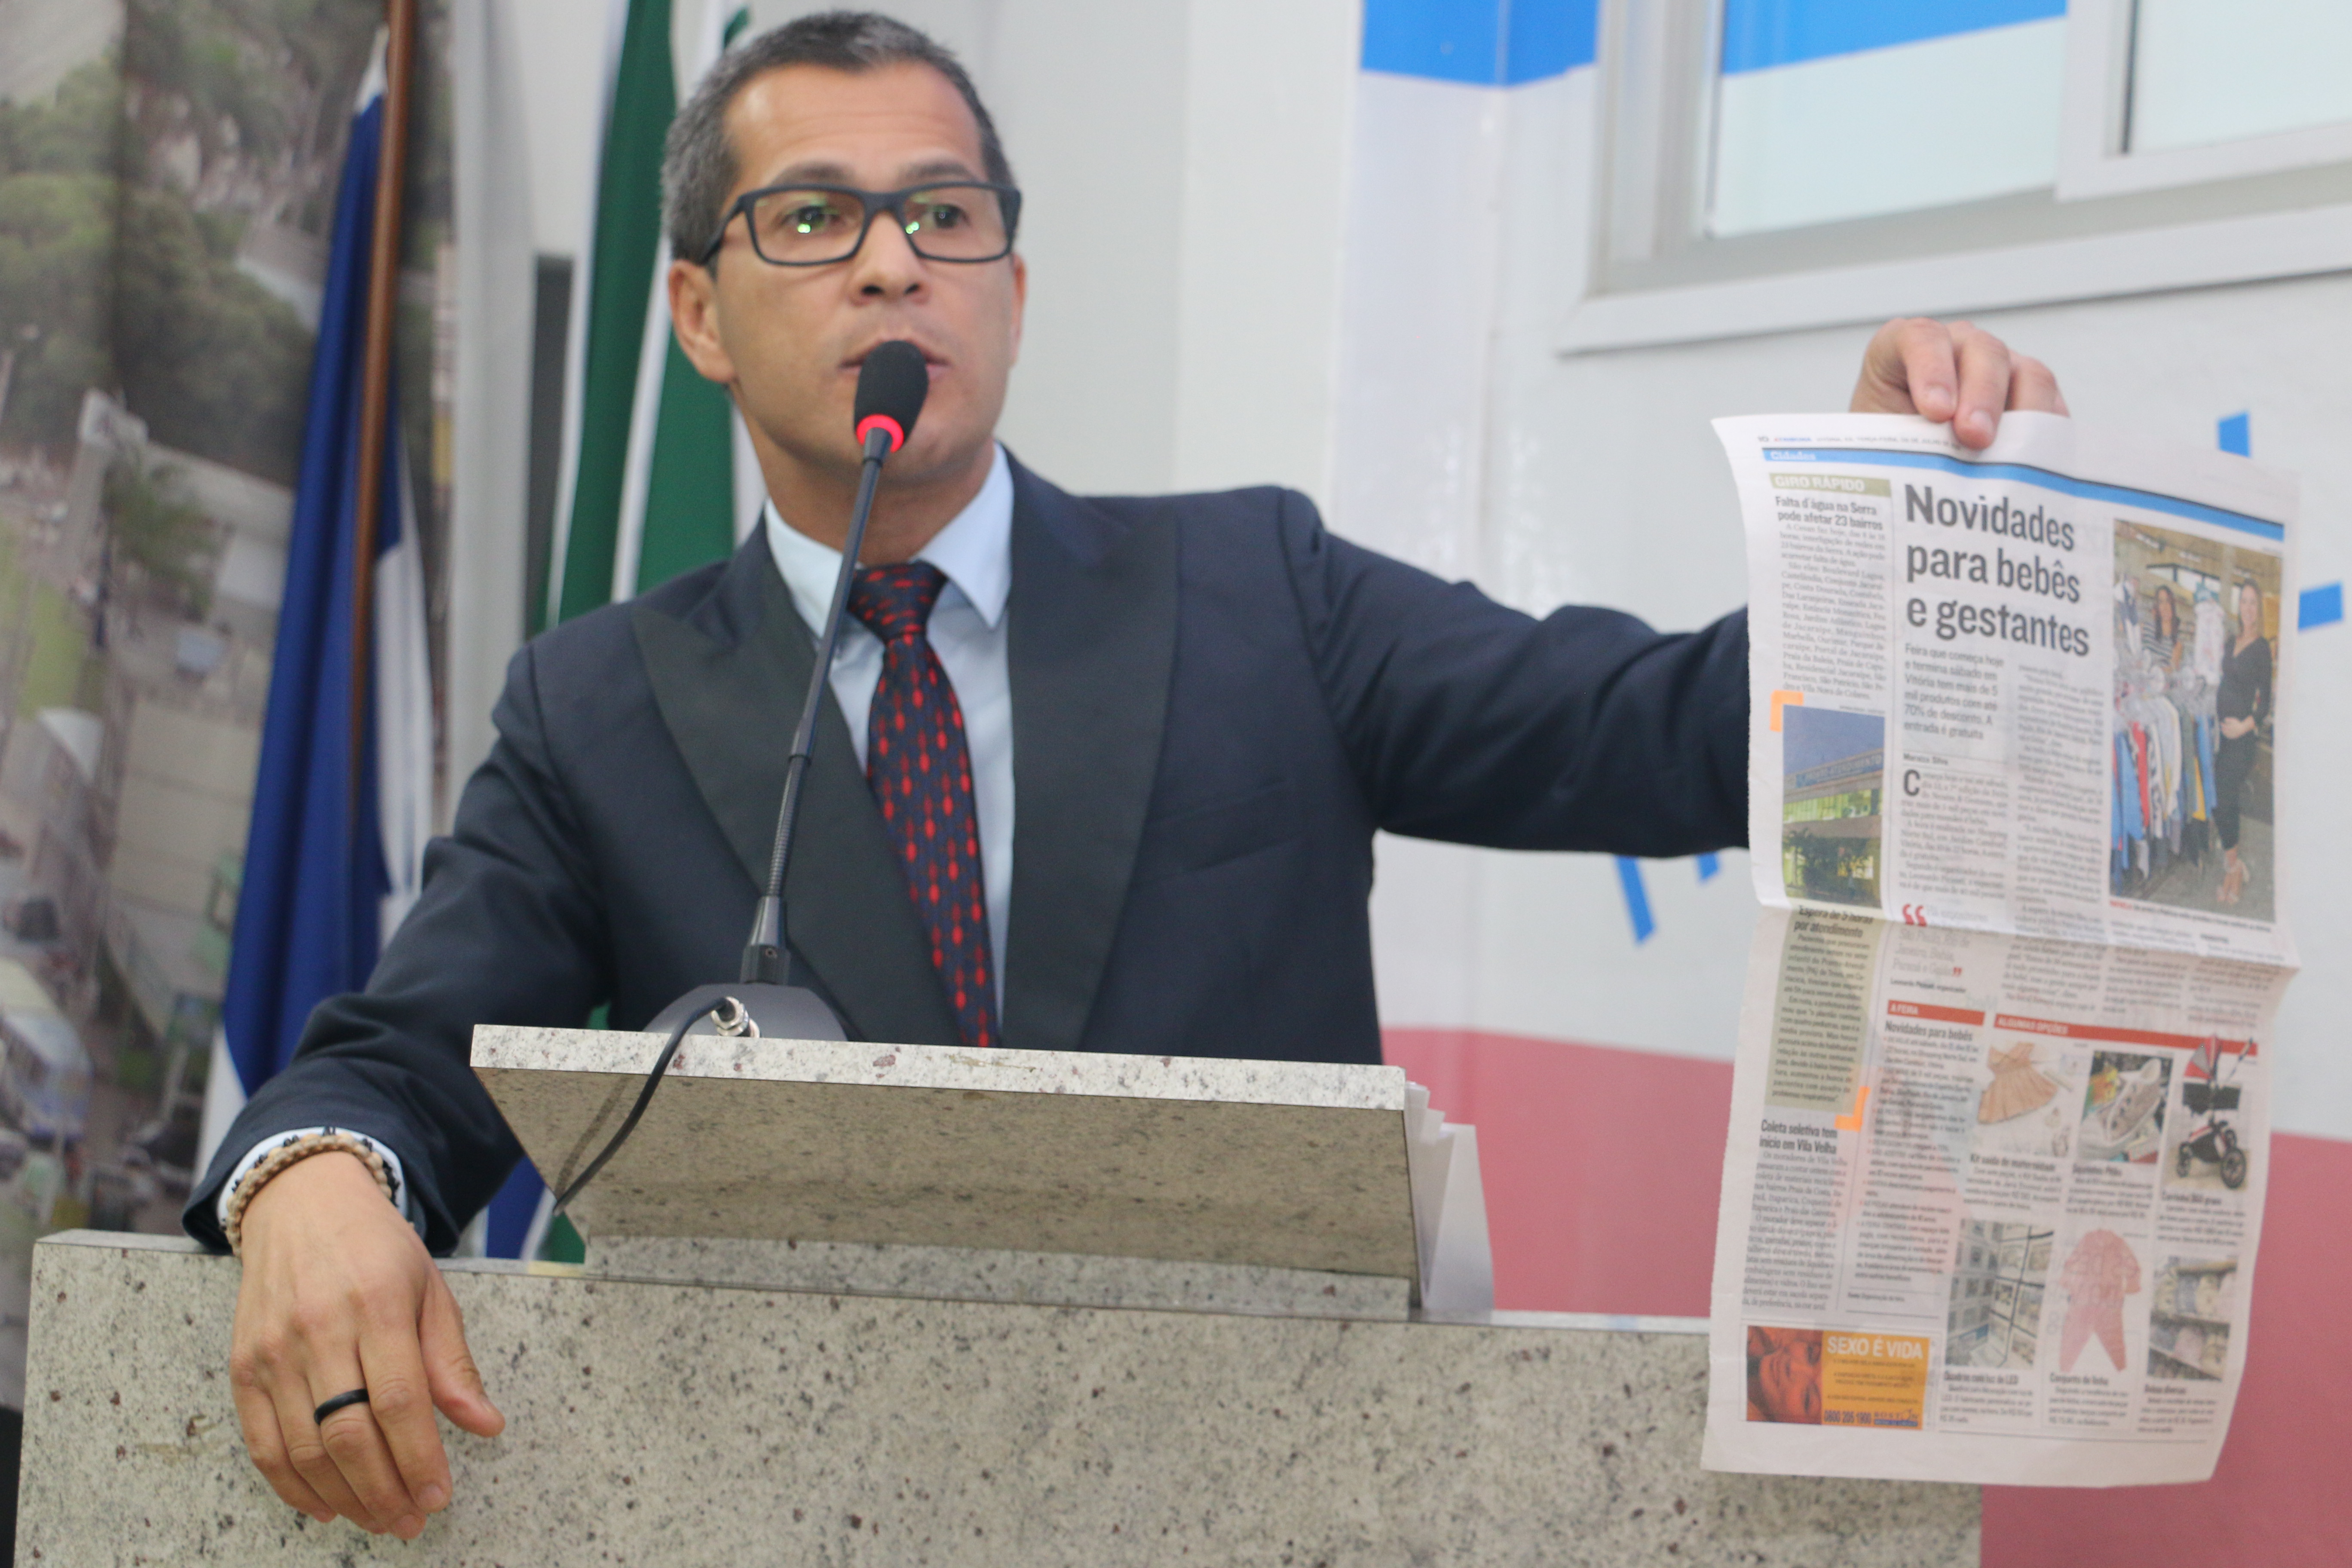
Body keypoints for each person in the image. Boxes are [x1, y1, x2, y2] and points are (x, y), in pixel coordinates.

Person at [186, 11, 2068, 1540]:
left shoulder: (1258, 589)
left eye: (943, 215)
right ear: (696, 311)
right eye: (812, 219)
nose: (891, 263)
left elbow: (1663, 736)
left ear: (1010, 285)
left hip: (1273, 1490)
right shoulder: (594, 701)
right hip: (807, 1498)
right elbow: (394, 1064)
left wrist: (1891, 530)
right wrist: (316, 1180)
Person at [2214, 579, 2272, 906]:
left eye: (2253, 602)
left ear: (2258, 609)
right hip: (2224, 737)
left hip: (2242, 739)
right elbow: (2225, 680)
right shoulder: (2230, 640)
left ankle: (2232, 871)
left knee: (2226, 801)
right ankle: (2235, 866)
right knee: (2221, 802)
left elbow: (2265, 705)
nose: (2248, 608)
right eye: (2244, 601)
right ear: (2239, 606)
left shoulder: (2262, 648)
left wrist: (2243, 727)